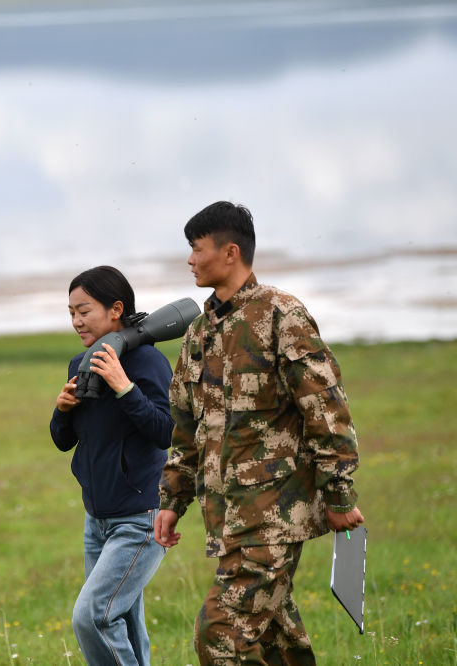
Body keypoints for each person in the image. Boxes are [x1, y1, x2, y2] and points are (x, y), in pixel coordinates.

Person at [154, 202, 364, 665]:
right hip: (226, 518)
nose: (189, 259)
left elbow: (326, 409)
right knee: (275, 642)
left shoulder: (281, 315)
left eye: (196, 248)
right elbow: (185, 432)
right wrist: (171, 502)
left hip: (274, 516)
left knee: (221, 633)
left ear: (230, 253)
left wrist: (340, 495)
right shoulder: (196, 336)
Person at [50, 266, 174, 666]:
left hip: (139, 519)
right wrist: (62, 411)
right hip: (96, 521)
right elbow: (64, 441)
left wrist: (125, 388)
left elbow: (165, 432)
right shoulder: (80, 364)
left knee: (93, 618)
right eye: (70, 312)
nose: (76, 321)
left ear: (116, 309)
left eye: (84, 310)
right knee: (126, 623)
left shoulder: (147, 362)